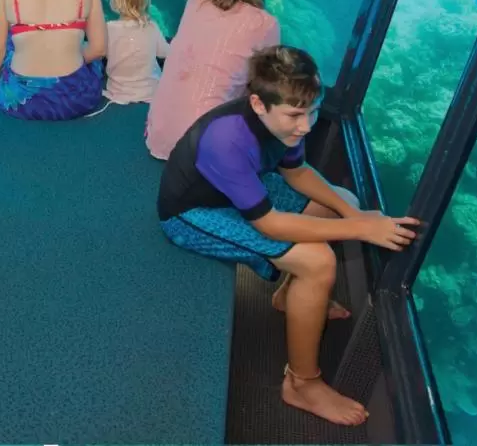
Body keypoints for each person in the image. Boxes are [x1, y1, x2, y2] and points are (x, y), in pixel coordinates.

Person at [156, 45, 420, 427]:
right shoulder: (226, 140)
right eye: (297, 114)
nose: (308, 125)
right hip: (193, 214)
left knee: (341, 199)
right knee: (318, 262)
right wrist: (361, 228)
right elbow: (270, 225)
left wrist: (354, 213)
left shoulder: (284, 119)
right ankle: (302, 384)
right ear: (259, 104)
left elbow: (297, 173)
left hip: (240, 194)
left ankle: (291, 296)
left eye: (313, 111)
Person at [145, 0, 280, 160]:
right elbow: (262, 84)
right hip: (204, 149)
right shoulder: (265, 24)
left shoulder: (195, 1)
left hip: (158, 134)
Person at [102, 0, 170, 104]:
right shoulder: (152, 27)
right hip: (151, 90)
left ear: (115, 3)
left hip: (118, 91)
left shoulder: (108, 28)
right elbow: (165, 53)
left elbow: (100, 52)